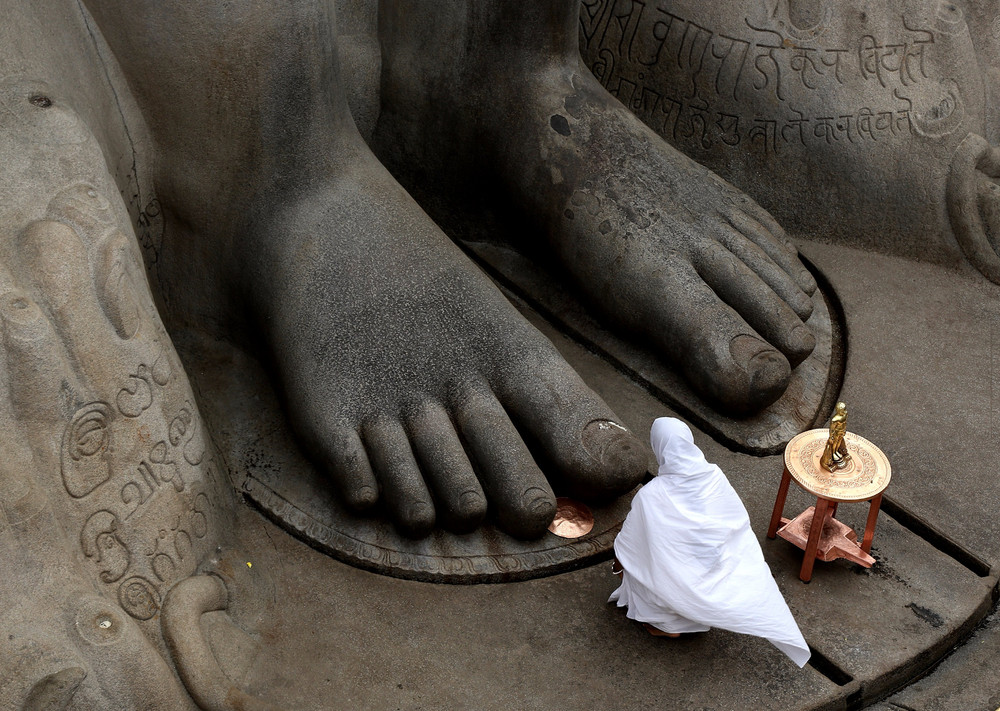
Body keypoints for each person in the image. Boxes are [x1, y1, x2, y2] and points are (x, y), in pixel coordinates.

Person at [610, 417, 810, 667]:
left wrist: (619, 566)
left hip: (675, 578)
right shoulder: (713, 476)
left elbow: (627, 544)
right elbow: (734, 521)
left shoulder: (651, 494)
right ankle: (693, 612)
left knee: (632, 560)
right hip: (711, 566)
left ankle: (666, 622)